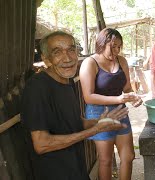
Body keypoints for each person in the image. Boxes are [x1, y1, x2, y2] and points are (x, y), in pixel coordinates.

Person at [21, 31, 129, 180]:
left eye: (71, 50)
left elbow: (73, 122)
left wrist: (99, 122)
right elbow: (42, 144)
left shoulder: (67, 81)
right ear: (46, 59)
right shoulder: (37, 88)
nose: (67, 58)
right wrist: (94, 130)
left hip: (75, 168)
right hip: (53, 173)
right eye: (57, 52)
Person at [79, 28, 142, 180]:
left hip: (120, 111)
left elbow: (126, 88)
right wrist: (117, 99)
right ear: (102, 43)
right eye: (113, 46)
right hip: (99, 114)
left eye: (119, 46)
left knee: (128, 156)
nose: (116, 50)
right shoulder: (90, 63)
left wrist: (133, 96)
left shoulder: (121, 61)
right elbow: (88, 97)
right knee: (105, 160)